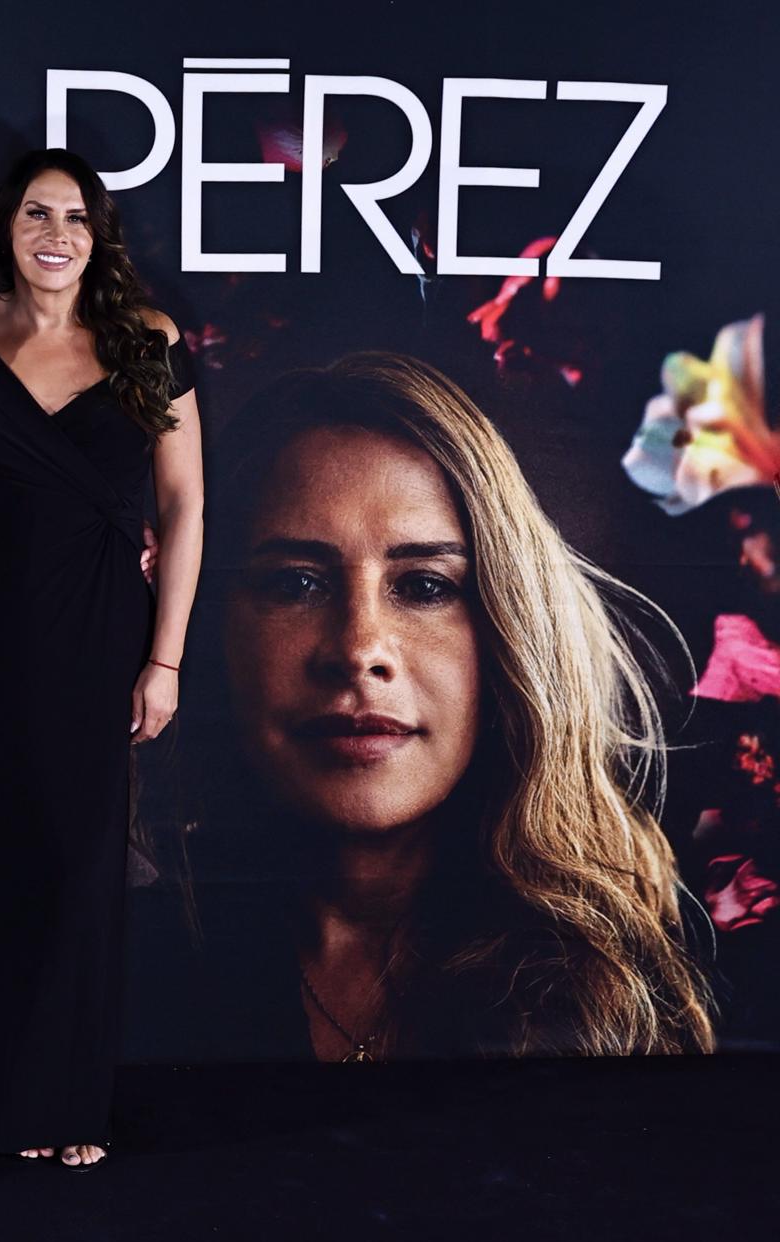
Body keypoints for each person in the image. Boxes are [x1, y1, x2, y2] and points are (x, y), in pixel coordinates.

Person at [179, 351, 713, 1060]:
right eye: (295, 583)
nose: (359, 648)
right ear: (211, 624)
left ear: (508, 628)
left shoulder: (650, 974)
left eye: (425, 586)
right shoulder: (116, 956)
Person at [0, 148, 204, 1169]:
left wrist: (165, 659)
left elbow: (185, 504)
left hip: (96, 634)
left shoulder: (148, 338)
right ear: (6, 228)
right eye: (38, 214)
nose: (57, 234)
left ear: (100, 234)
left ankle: (65, 1102)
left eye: (77, 217)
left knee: (78, 868)